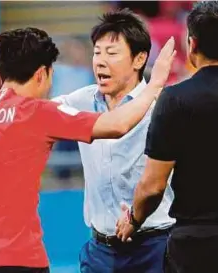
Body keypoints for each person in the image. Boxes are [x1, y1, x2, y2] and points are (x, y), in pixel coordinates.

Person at [0, 27, 175, 273]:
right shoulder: (38, 113)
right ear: (41, 74)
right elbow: (118, 124)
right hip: (18, 258)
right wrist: (154, 86)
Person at [116, 2, 218, 273]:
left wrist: (134, 220)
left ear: (192, 44)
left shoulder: (175, 100)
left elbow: (152, 186)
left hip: (196, 245)